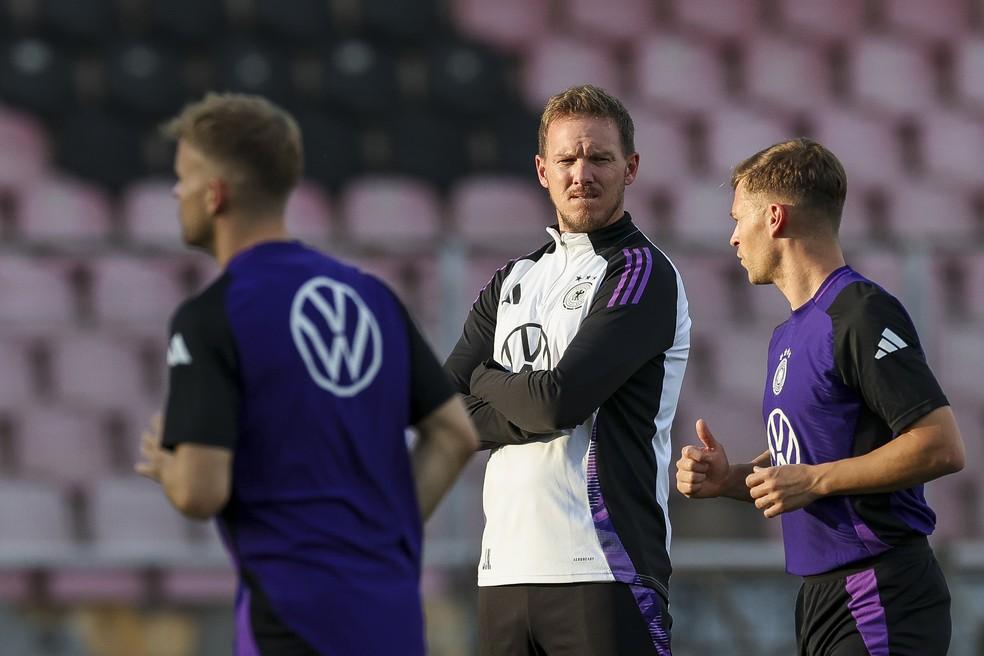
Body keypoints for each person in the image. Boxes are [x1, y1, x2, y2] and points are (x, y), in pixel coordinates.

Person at [134, 93, 478, 656]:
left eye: (183, 177)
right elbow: (455, 435)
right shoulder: (373, 298)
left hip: (295, 619)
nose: (177, 193)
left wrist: (168, 467)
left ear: (214, 194)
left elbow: (201, 490)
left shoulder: (211, 316)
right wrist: (382, 540)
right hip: (390, 614)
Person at [675, 138, 965, 655]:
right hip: (820, 597)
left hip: (879, 590)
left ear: (775, 217)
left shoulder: (860, 311)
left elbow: (939, 445)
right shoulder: (787, 335)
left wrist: (813, 479)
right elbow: (806, 470)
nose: (733, 237)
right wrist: (731, 480)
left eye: (738, 218)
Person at [444, 84, 691, 655]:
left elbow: (559, 402)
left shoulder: (639, 273)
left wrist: (485, 377)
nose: (582, 173)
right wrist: (530, 404)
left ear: (630, 167)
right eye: (567, 159)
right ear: (541, 170)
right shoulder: (514, 280)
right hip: (502, 568)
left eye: (600, 157)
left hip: (602, 566)